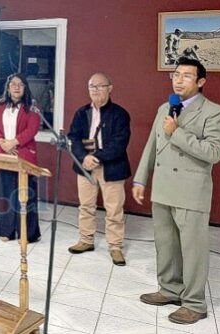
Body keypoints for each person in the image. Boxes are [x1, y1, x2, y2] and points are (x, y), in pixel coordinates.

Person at [133, 57, 220, 325]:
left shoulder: (215, 113)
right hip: (162, 189)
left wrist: (177, 133)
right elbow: (152, 145)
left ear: (200, 82)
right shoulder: (165, 107)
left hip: (191, 192)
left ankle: (194, 303)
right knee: (166, 246)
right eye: (175, 74)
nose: (178, 79)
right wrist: (141, 179)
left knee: (192, 250)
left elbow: (214, 152)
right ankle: (169, 289)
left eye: (186, 75)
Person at [67, 73, 131, 266]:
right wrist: (84, 157)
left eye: (99, 86)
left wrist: (97, 157)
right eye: (91, 86)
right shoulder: (81, 113)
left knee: (114, 209)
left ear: (110, 88)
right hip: (85, 167)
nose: (95, 90)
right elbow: (73, 138)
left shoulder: (120, 114)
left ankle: (115, 246)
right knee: (86, 206)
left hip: (111, 167)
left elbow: (120, 143)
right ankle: (86, 240)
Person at [0, 73, 41, 242]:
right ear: (8, 87)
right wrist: (2, 142)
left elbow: (32, 129)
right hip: (3, 153)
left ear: (25, 88)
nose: (16, 87)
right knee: (5, 194)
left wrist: (14, 143)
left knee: (25, 195)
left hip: (23, 154)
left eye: (20, 84)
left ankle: (28, 233)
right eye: (13, 84)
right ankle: (6, 231)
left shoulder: (31, 106)